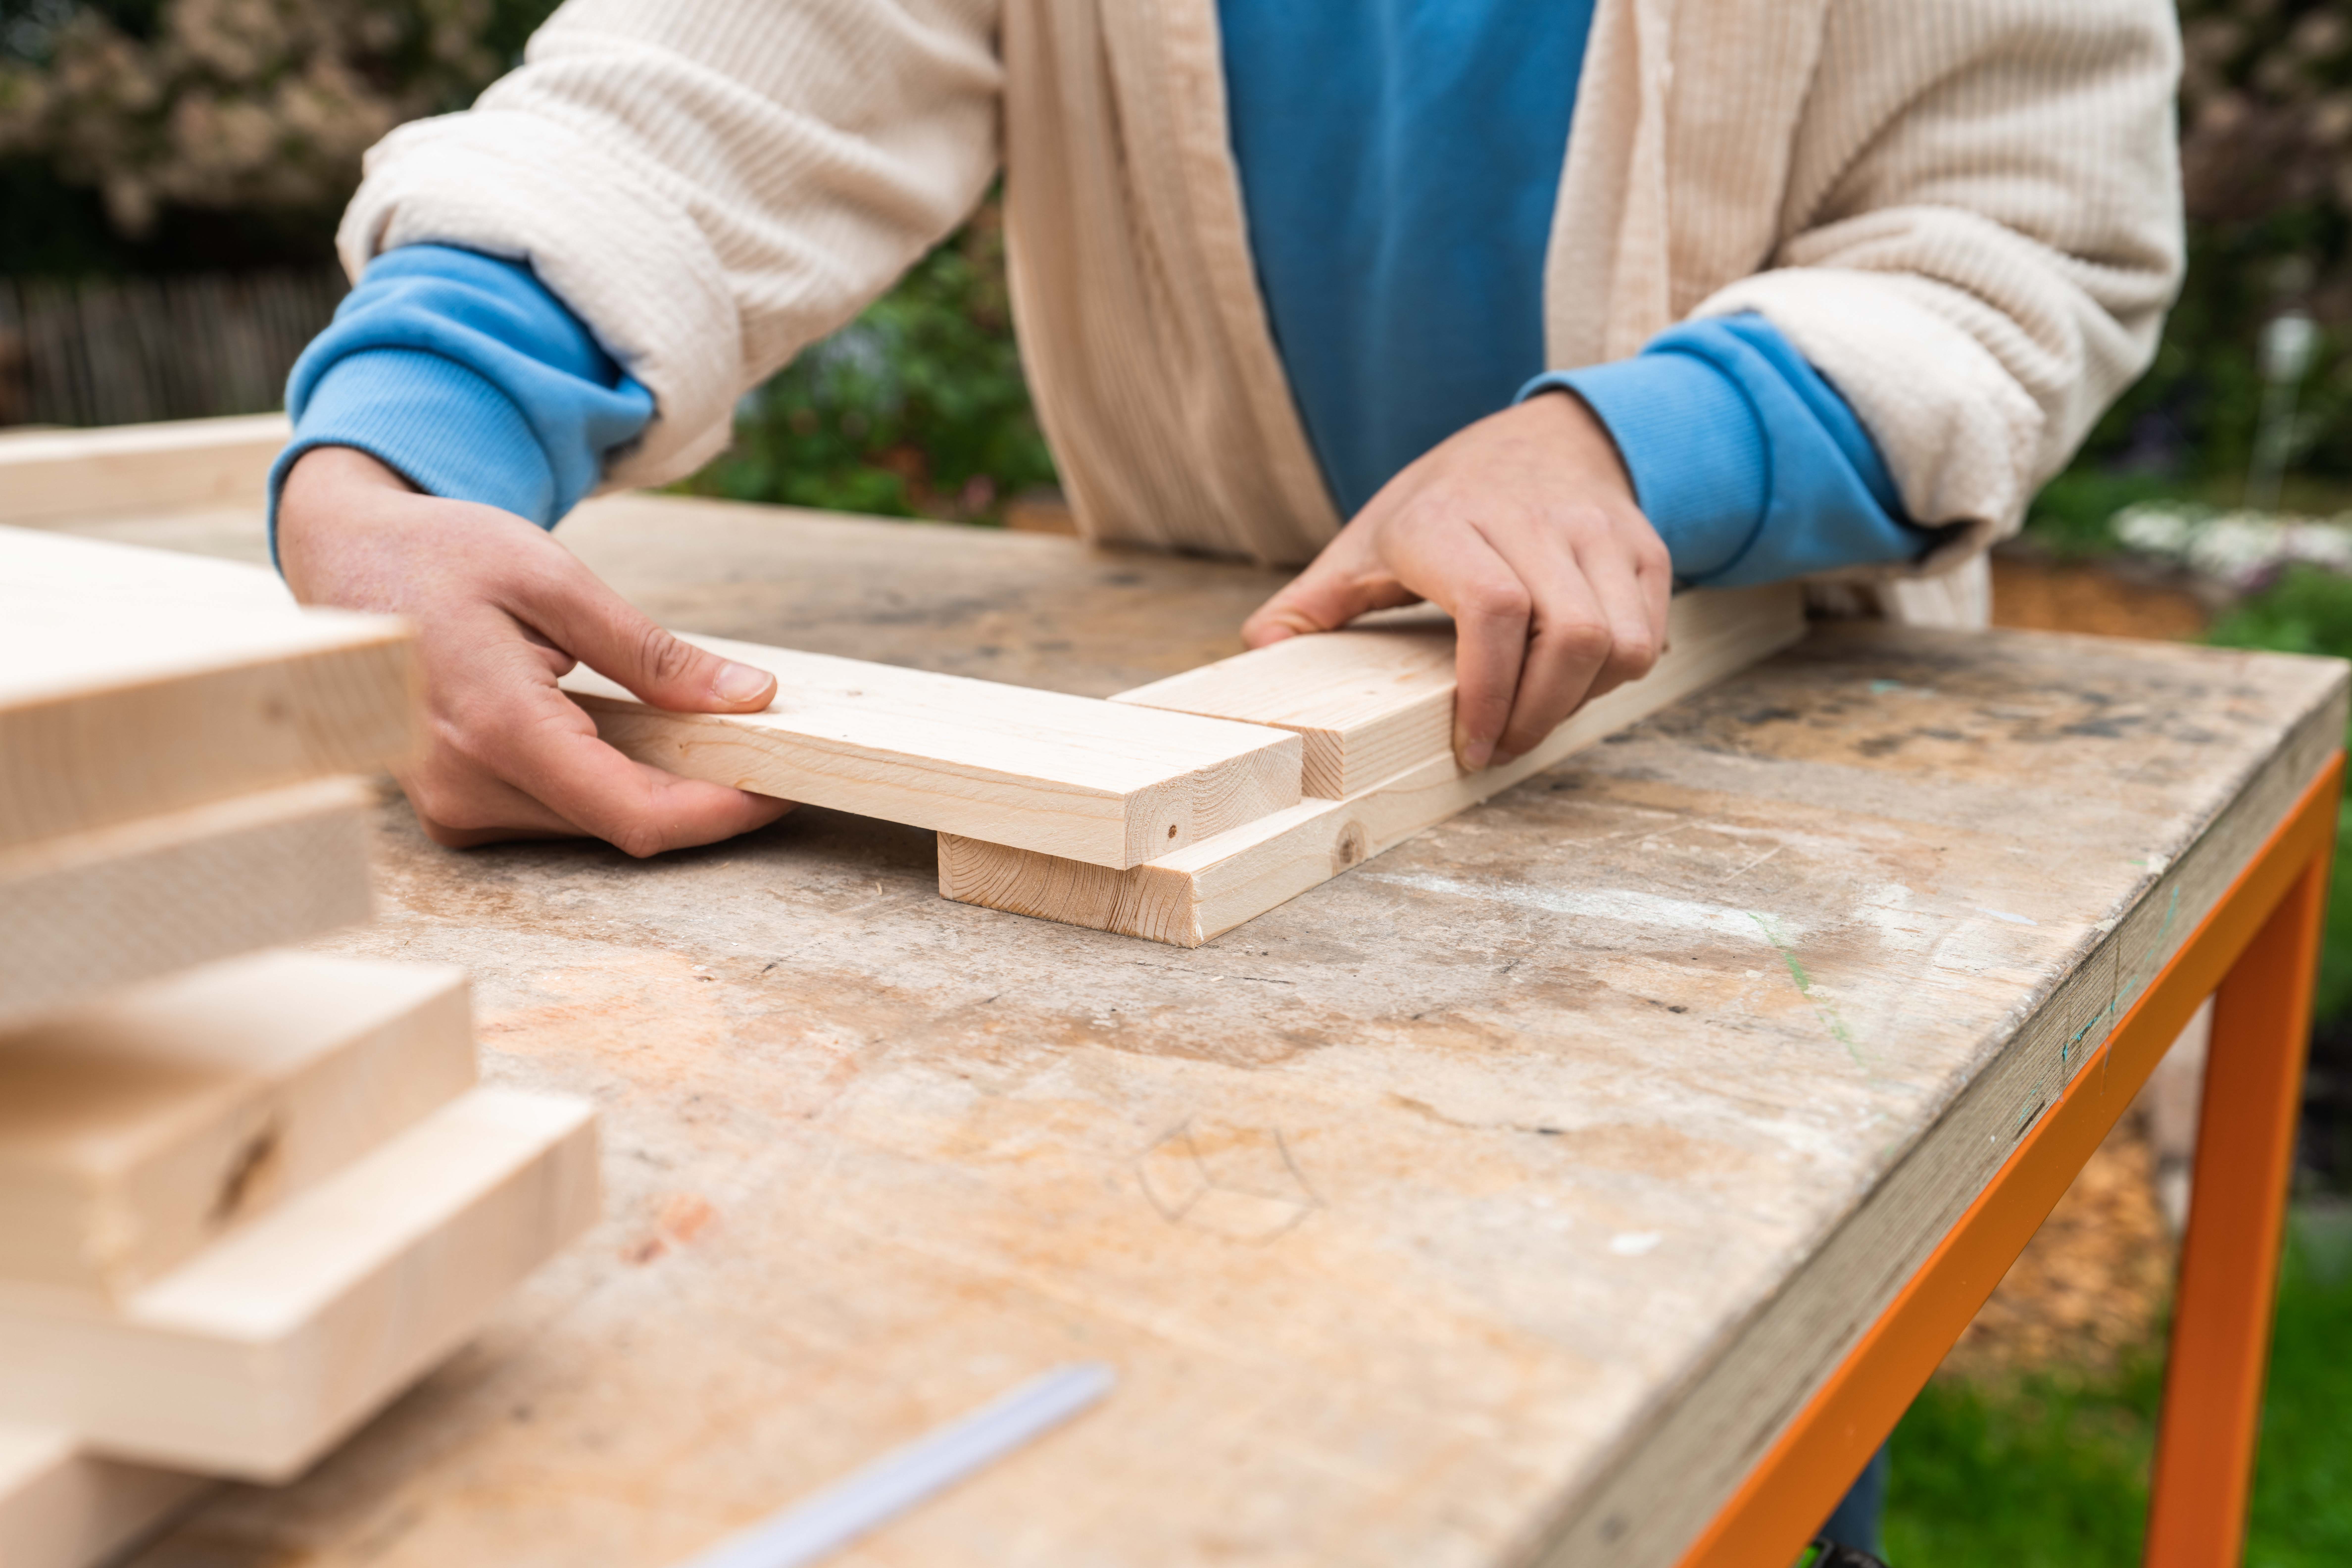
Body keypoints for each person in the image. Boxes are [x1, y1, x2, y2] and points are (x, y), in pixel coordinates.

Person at [273, 6, 2183, 1549]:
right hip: (1195, 717)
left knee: (1701, 1416)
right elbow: (697, 100)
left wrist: (1645, 447)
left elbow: (2022, 230)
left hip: (1737, 750)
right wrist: (410, 449)